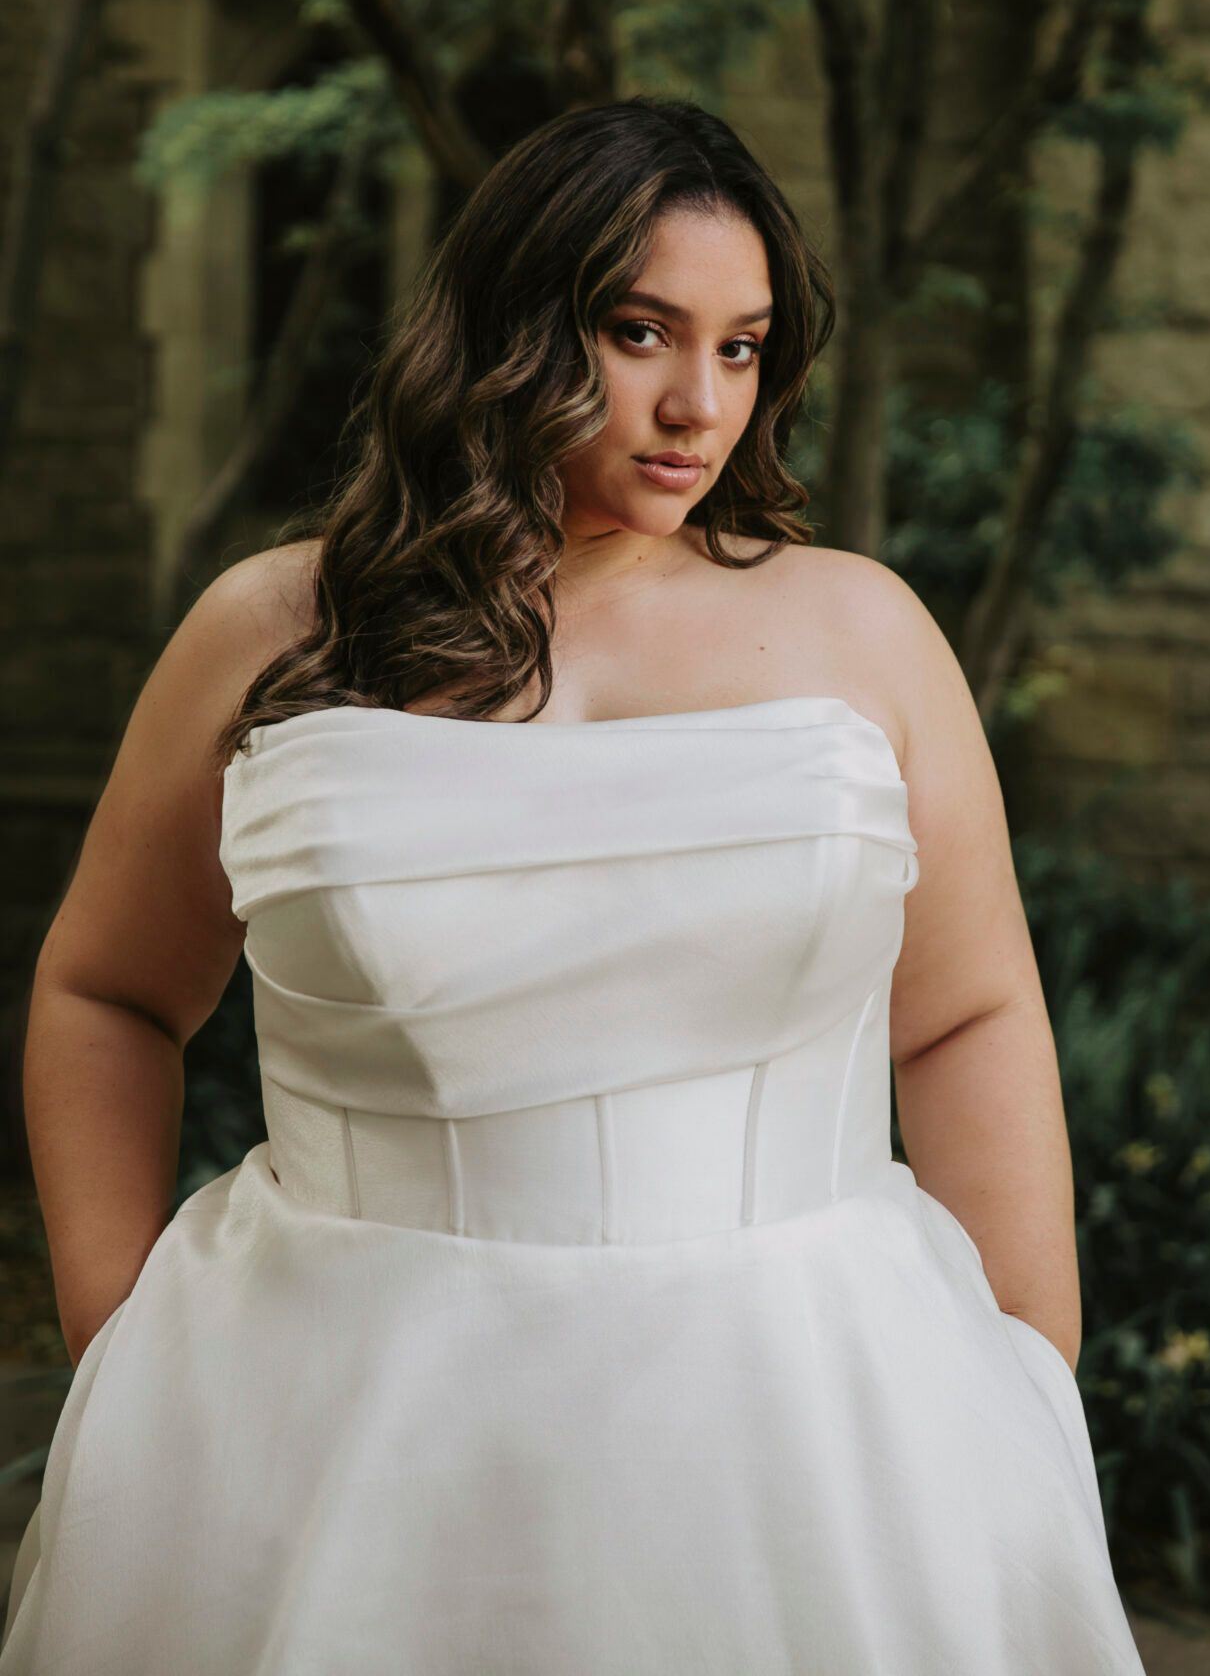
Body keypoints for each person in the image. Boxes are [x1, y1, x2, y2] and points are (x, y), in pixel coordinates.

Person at [1, 96, 1147, 1673]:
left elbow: (968, 1014)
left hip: (815, 1415)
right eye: (641, 331)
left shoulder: (865, 632)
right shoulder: (273, 632)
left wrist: (1025, 1378)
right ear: (511, 328)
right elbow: (105, 991)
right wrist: (121, 1339)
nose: (698, 405)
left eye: (743, 349)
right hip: (320, 1415)